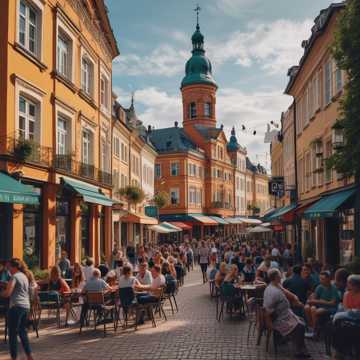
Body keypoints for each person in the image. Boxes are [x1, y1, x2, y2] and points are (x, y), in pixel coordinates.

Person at [263, 268, 310, 359]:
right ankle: (298, 350)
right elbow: (267, 310)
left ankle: (301, 348)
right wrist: (269, 324)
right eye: (280, 275)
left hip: (285, 315)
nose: (281, 276)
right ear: (277, 277)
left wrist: (295, 298)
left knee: (301, 321)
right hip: (280, 320)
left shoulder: (276, 285)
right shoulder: (273, 291)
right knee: (300, 326)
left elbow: (286, 292)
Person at [0, 258, 33, 360]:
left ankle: (14, 358)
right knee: (23, 332)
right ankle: (29, 356)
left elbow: (8, 293)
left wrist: (1, 293)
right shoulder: (24, 276)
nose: (8, 269)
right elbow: (20, 290)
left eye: (9, 267)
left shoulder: (14, 276)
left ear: (14, 267)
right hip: (25, 306)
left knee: (12, 334)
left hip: (16, 307)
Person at [304, 271, 340, 338]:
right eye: (320, 279)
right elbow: (314, 299)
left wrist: (320, 301)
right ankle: (311, 327)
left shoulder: (333, 288)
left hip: (330, 307)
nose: (320, 280)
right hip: (320, 305)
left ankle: (315, 331)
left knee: (315, 310)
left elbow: (333, 303)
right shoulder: (319, 287)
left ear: (328, 279)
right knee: (307, 307)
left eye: (322, 279)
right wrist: (313, 299)